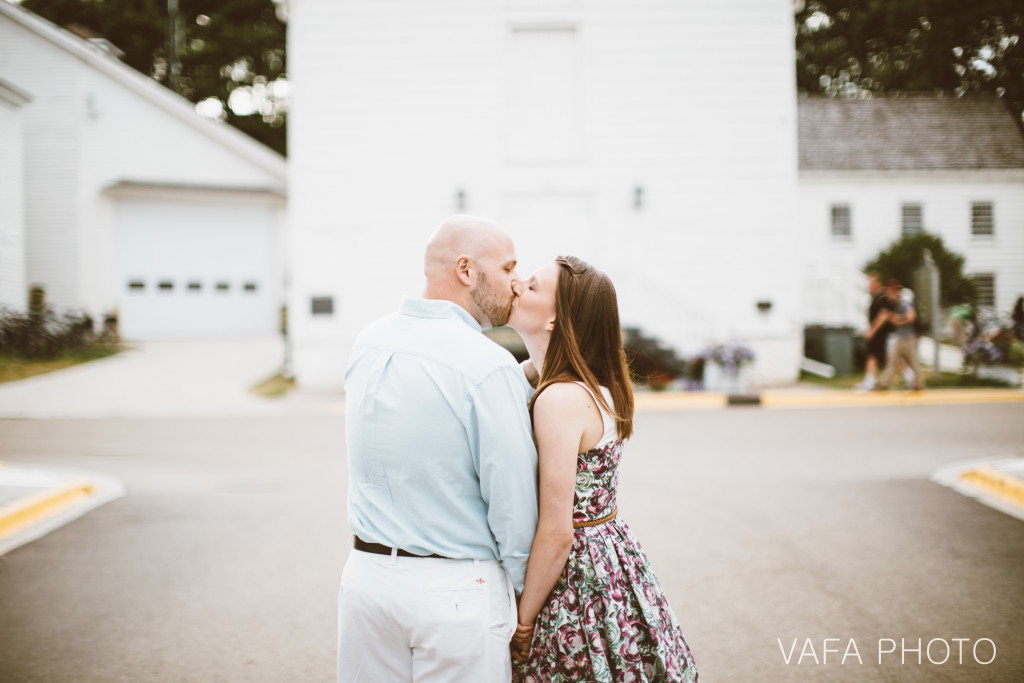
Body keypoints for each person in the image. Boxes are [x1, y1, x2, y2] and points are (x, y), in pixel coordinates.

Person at [338, 215, 539, 682]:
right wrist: (526, 605)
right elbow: (512, 503)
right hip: (455, 592)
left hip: (366, 581)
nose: (516, 283)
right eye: (508, 268)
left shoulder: (369, 342)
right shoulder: (488, 364)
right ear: (467, 271)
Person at [507, 256, 699, 682]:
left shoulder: (560, 398)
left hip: (575, 573)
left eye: (533, 286)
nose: (517, 285)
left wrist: (523, 622)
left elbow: (558, 531)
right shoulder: (582, 383)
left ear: (556, 320)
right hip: (612, 554)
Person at [877, 278, 925, 391]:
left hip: (908, 337)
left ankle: (919, 384)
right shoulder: (893, 303)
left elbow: (911, 316)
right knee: (892, 362)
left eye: (891, 292)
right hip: (899, 337)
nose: (889, 294)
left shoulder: (904, 302)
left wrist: (899, 319)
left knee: (913, 362)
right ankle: (884, 383)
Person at [856, 271, 893, 392]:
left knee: (895, 358)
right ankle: (870, 380)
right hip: (878, 334)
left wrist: (872, 330)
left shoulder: (883, 297)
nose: (868, 285)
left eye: (870, 282)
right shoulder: (874, 297)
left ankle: (911, 377)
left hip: (884, 333)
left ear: (877, 283)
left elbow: (884, 315)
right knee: (872, 356)